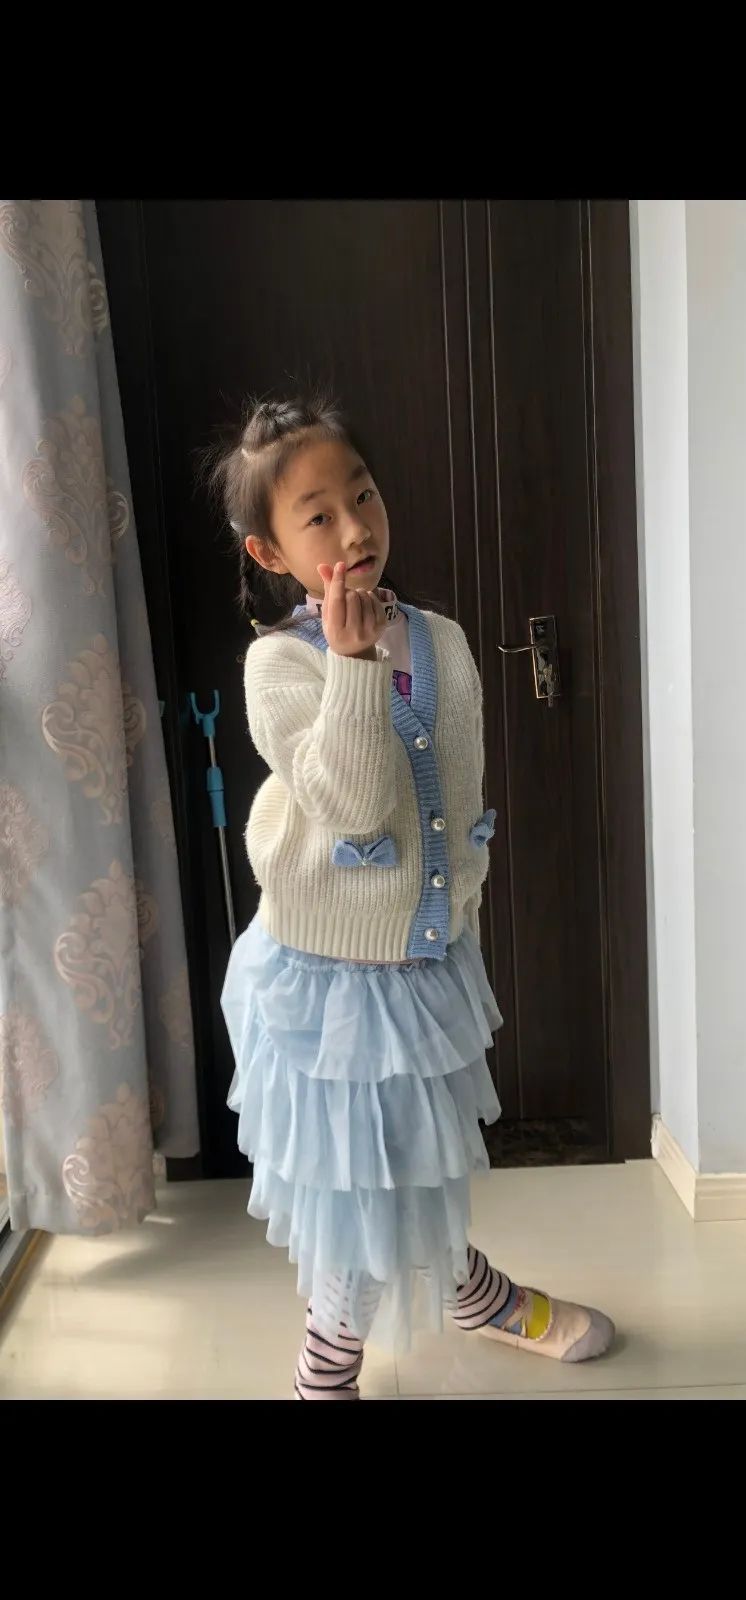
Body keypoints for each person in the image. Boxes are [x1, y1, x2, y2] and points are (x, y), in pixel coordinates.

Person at [214, 392, 615, 1399]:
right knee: (364, 1189)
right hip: (330, 984)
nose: (355, 529)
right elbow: (351, 804)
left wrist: (458, 896)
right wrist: (352, 667)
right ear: (270, 552)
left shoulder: (439, 637)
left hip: (423, 959)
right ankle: (332, 1364)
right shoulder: (278, 666)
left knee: (414, 1164)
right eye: (318, 516)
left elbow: (454, 786)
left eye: (363, 495)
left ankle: (462, 1287)